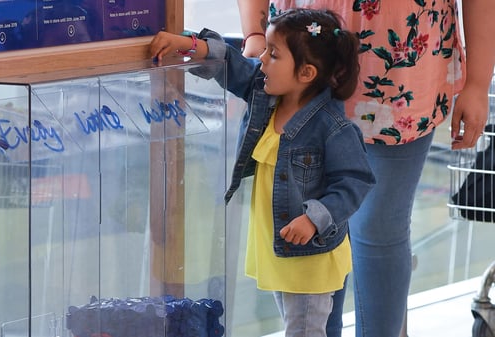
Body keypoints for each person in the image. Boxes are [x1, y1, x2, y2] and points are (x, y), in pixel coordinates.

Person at [237, 1, 495, 337]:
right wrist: (255, 35)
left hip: (405, 65)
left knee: (379, 232)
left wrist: (477, 82)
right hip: (302, 57)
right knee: (310, 226)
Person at [151, 8, 376, 337]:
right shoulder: (265, 92)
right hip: (280, 248)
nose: (263, 60)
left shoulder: (332, 126)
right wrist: (188, 44)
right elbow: (230, 63)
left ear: (306, 72)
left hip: (309, 257)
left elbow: (355, 182)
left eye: (274, 54)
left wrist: (314, 217)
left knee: (303, 331)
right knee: (297, 327)